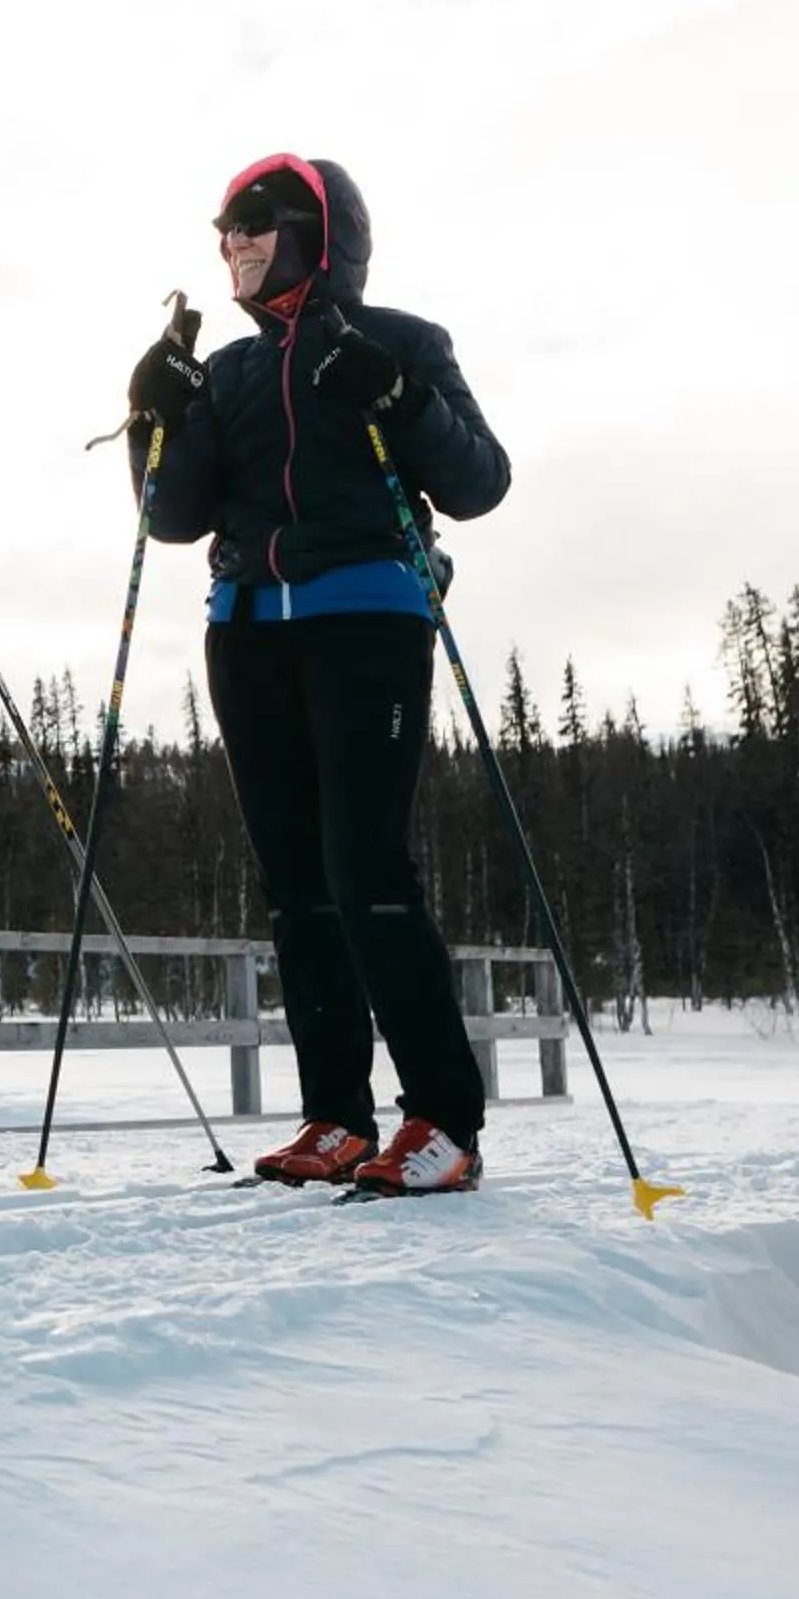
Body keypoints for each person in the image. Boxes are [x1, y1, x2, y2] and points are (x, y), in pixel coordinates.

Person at [122, 154, 511, 1196]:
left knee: (365, 868)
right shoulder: (236, 373)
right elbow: (170, 515)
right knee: (297, 887)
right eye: (225, 234)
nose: (233, 247)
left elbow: (479, 480)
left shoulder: (399, 342)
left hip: (365, 618)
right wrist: (152, 414)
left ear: (317, 235)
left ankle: (443, 1117)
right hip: (246, 626)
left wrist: (396, 396)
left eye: (255, 226)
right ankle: (337, 1114)